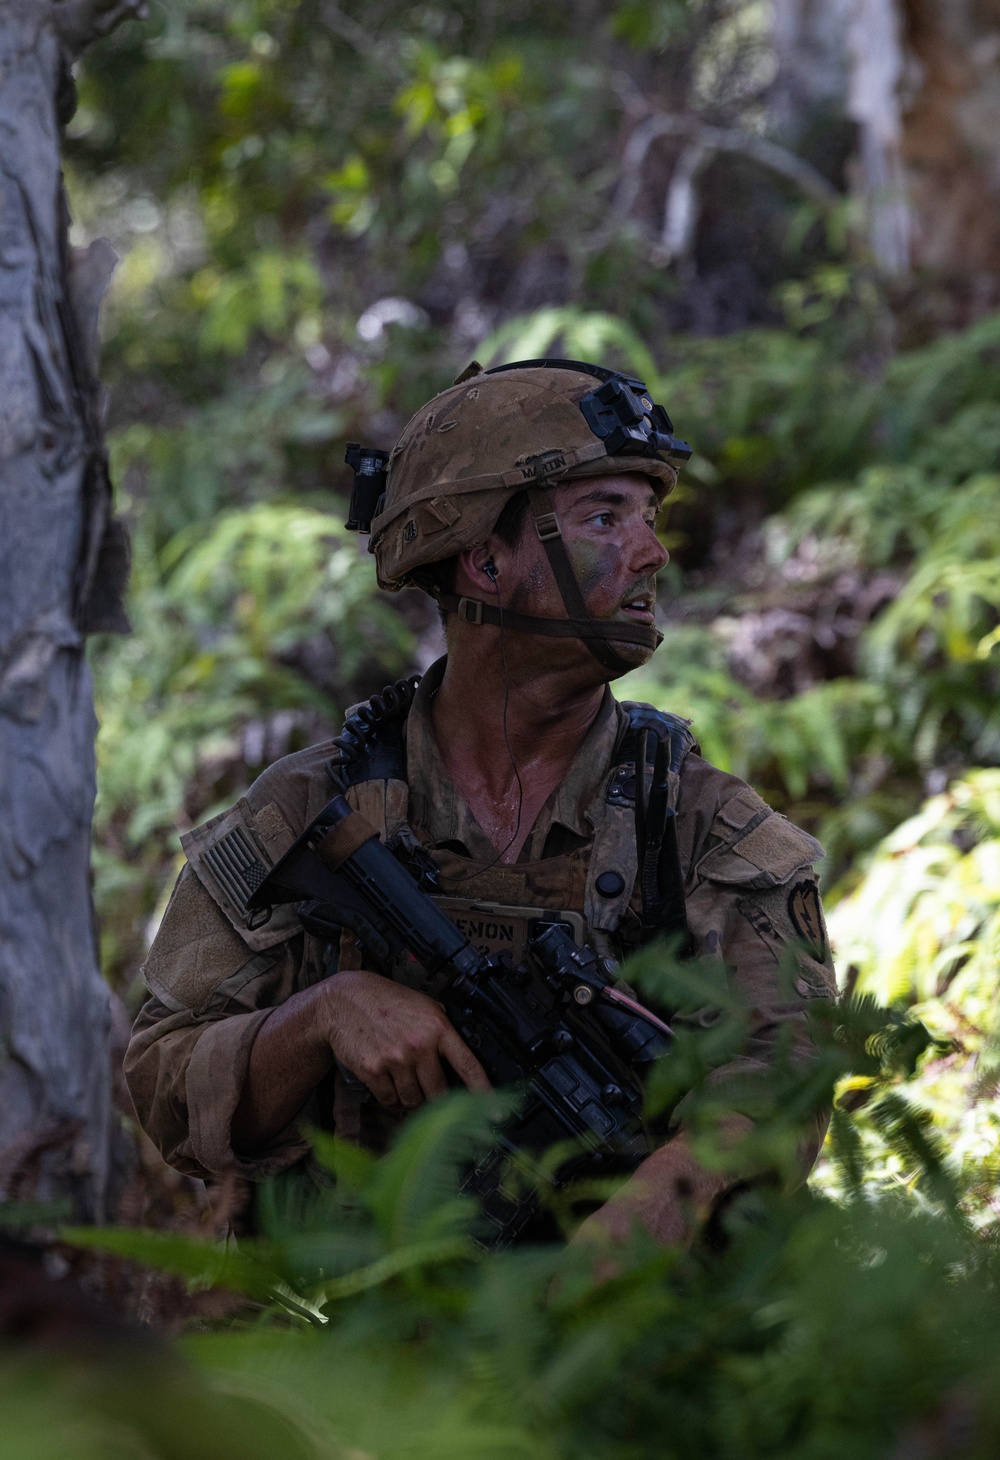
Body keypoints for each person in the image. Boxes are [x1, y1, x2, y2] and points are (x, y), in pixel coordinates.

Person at [125, 359, 836, 1249]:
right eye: (604, 517)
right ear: (486, 558)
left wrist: (664, 1198)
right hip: (344, 1339)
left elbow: (788, 1067)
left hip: (616, 1334)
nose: (652, 552)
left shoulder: (695, 823)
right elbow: (161, 1078)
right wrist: (322, 1016)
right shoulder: (315, 805)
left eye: (649, 519)